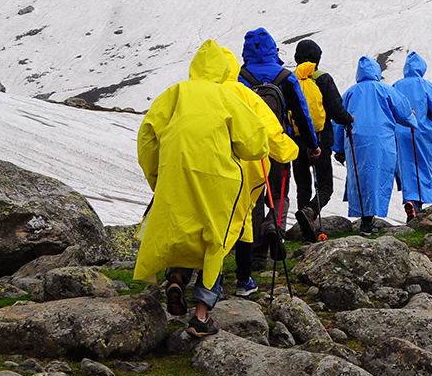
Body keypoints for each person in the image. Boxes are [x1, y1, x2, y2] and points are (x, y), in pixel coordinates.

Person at [135, 40, 269, 338]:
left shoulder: (173, 94)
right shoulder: (227, 97)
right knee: (212, 241)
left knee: (182, 228)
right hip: (218, 179)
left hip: (175, 172)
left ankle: (177, 277)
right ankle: (201, 316)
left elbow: (147, 137)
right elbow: (254, 144)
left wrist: (157, 176)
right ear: (222, 70)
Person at [236, 28, 319, 295]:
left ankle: (256, 256)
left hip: (248, 149)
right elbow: (302, 113)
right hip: (278, 147)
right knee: (279, 193)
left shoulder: (240, 77)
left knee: (253, 198)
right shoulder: (285, 77)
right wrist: (312, 144)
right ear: (273, 48)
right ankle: (274, 227)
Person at [333, 56, 421, 235]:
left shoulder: (350, 93)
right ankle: (368, 221)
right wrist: (412, 118)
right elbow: (404, 112)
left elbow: (338, 120)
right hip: (382, 142)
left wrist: (339, 149)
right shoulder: (386, 90)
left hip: (355, 142)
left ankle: (366, 219)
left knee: (360, 178)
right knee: (378, 178)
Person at [291, 39, 355, 240]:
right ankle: (311, 211)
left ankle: (305, 232)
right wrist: (349, 119)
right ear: (317, 59)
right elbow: (336, 110)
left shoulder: (289, 79)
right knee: (325, 186)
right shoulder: (323, 78)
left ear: (297, 58)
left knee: (303, 186)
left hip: (296, 143)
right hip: (321, 141)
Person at [392, 52, 432, 221]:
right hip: (421, 132)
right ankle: (417, 205)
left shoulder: (396, 86)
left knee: (405, 167)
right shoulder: (425, 85)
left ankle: (410, 200)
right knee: (422, 166)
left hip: (400, 133)